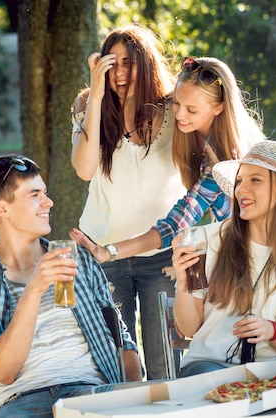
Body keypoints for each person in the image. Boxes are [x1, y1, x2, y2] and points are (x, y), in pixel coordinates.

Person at [0, 155, 142, 418]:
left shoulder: (78, 260)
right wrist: (34, 289)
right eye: (35, 194)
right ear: (1, 208)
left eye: (45, 193)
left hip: (90, 392)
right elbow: (4, 371)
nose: (48, 202)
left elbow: (123, 342)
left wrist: (133, 399)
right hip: (20, 400)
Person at [69, 24, 185, 380]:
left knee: (165, 361)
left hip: (160, 253)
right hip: (102, 251)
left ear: (147, 65)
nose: (119, 73)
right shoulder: (89, 105)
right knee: (120, 361)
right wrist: (99, 97)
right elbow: (84, 169)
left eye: (128, 63)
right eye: (111, 63)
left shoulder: (172, 109)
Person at [70, 56, 264, 263]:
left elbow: (178, 222)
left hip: (258, 256)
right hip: (238, 256)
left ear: (219, 107)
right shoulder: (196, 138)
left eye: (191, 110)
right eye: (177, 103)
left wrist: (108, 252)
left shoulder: (226, 160)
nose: (179, 114)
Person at [171, 140, 276, 377]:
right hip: (208, 365)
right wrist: (183, 284)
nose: (241, 190)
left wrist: (273, 331)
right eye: (239, 181)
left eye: (255, 180)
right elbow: (188, 328)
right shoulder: (207, 241)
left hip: (273, 370)